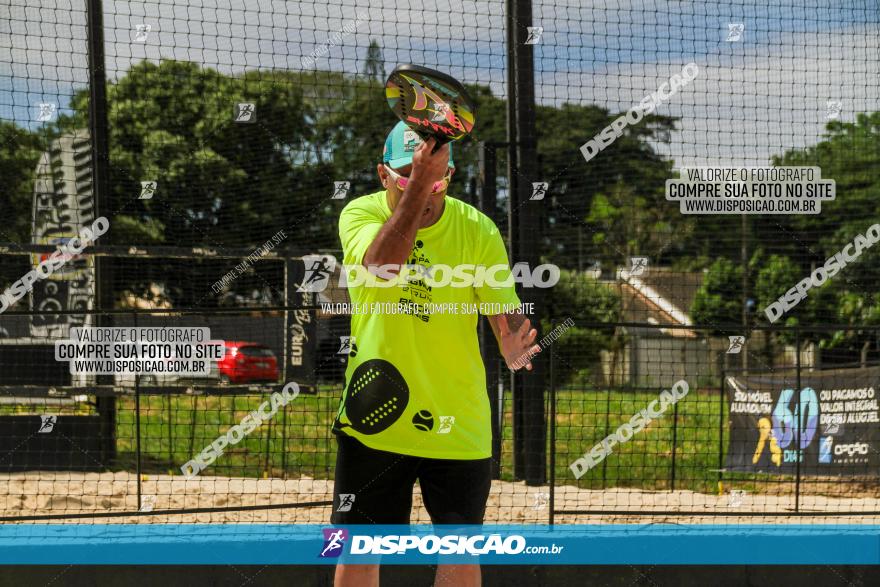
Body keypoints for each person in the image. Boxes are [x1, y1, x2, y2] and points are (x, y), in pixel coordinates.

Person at [332, 121, 540, 587]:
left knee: (459, 553)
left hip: (457, 423)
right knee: (359, 549)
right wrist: (419, 187)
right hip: (375, 419)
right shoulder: (359, 214)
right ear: (383, 175)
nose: (425, 188)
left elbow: (501, 311)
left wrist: (510, 343)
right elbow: (383, 267)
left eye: (436, 178)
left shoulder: (477, 228)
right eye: (408, 176)